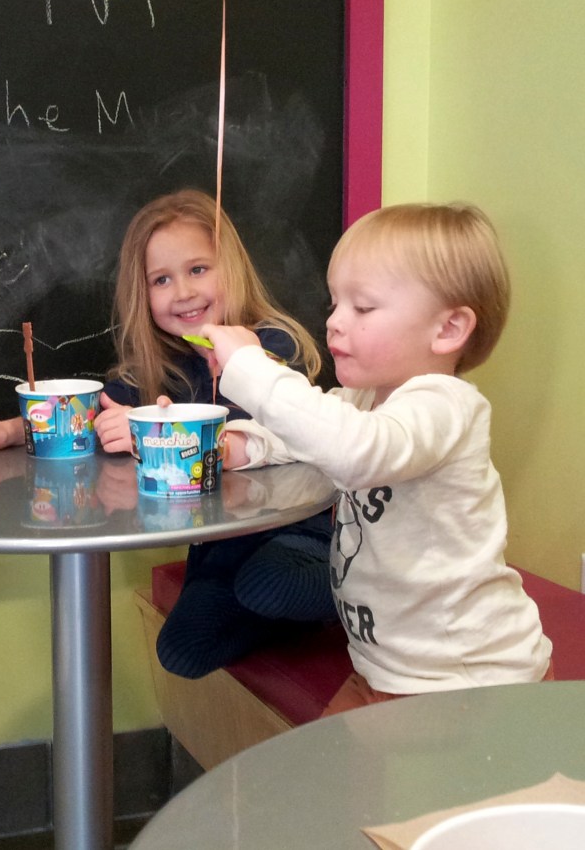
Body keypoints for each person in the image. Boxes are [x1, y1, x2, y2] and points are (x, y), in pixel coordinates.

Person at [0, 189, 338, 678]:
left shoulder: (267, 348)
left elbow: (258, 434)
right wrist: (3, 431)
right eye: (161, 279)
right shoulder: (157, 367)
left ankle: (354, 594)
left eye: (198, 269)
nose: (183, 292)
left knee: (270, 583)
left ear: (232, 268)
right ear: (141, 294)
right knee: (181, 652)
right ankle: (282, 614)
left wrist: (152, 431)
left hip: (293, 532)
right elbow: (81, 415)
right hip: (220, 545)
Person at [201, 201, 553, 714]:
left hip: (468, 681)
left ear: (448, 329)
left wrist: (250, 368)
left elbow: (354, 449)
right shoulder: (368, 398)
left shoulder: (444, 407)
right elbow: (310, 428)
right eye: (334, 304)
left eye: (362, 308)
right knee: (326, 762)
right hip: (385, 667)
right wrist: (244, 444)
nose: (334, 323)